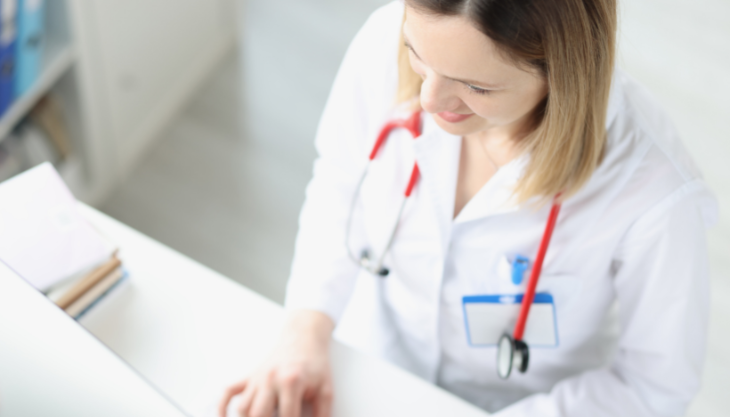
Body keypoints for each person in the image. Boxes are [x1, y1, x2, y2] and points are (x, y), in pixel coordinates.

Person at [220, 0, 717, 416]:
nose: (431, 100)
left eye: (476, 87)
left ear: (562, 71)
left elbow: (653, 385)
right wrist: (305, 329)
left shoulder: (655, 194)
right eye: (417, 57)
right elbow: (340, 181)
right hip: (369, 366)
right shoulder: (387, 37)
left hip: (519, 402)